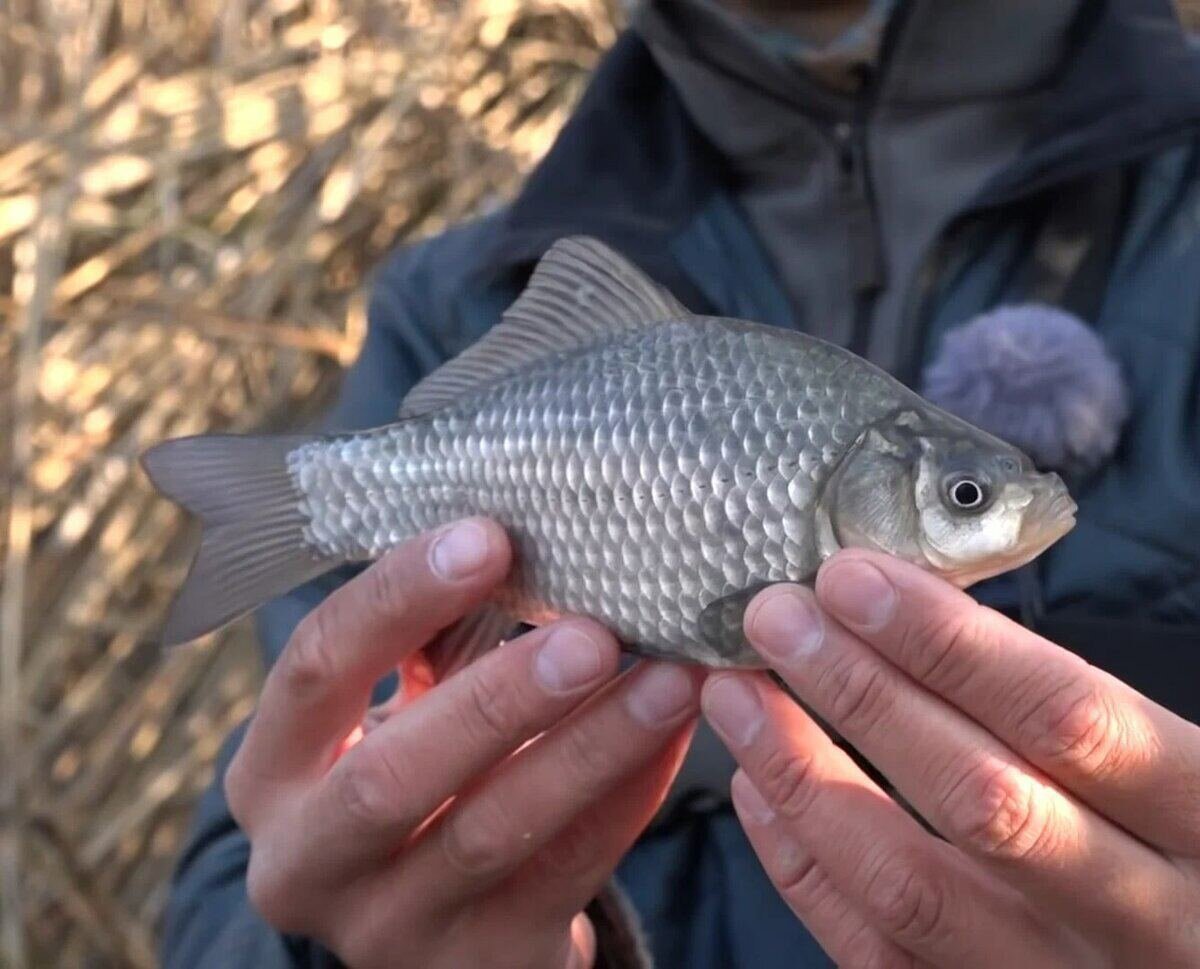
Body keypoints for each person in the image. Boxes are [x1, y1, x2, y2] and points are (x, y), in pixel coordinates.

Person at [161, 1, 1200, 966]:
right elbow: (232, 890)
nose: (986, 514)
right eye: (963, 498)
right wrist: (358, 932)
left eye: (961, 498)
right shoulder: (455, 296)